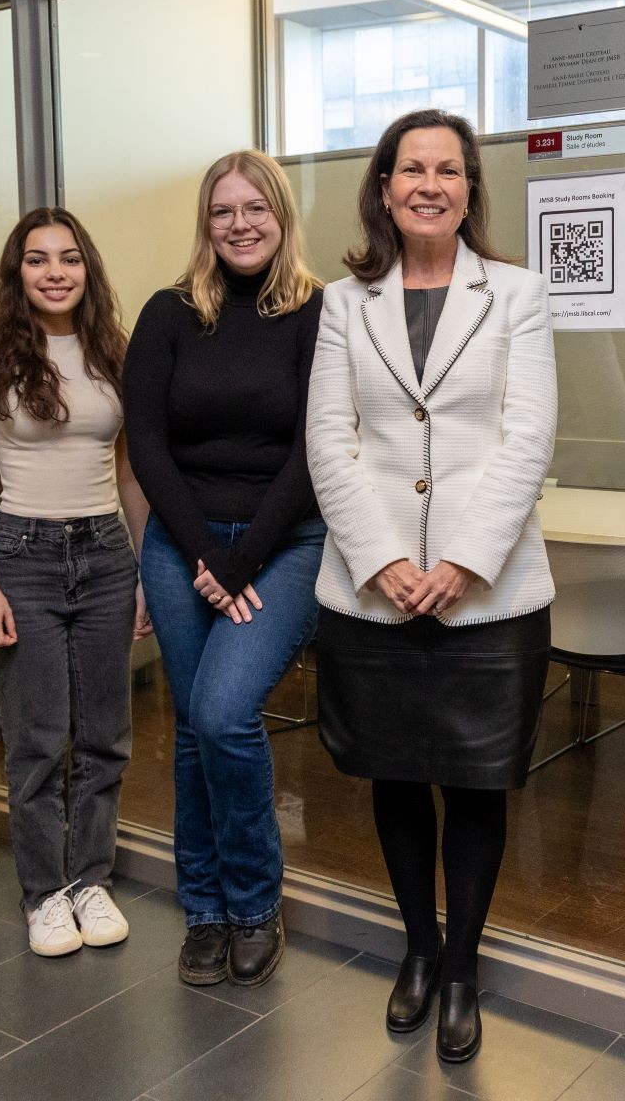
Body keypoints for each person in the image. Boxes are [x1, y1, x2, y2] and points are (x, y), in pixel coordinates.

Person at [305, 108, 557, 1065]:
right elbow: (331, 439)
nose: (429, 184)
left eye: (448, 170)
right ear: (383, 187)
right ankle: (416, 947)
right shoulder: (344, 303)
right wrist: (382, 562)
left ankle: (461, 966)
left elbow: (526, 435)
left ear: (469, 190)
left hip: (486, 592)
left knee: (477, 782)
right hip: (371, 589)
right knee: (396, 777)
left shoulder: (518, 295)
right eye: (411, 169)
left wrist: (458, 562)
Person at [124, 151, 325, 988]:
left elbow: (321, 447)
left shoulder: (322, 313)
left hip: (286, 544)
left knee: (222, 710)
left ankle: (254, 899)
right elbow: (146, 444)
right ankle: (204, 910)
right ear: (205, 224)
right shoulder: (169, 312)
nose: (240, 224)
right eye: (222, 211)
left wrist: (243, 558)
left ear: (281, 215)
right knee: (197, 729)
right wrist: (208, 552)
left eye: (256, 208)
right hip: (182, 543)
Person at [0, 207, 152, 958]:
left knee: (105, 735)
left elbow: (129, 470)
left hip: (105, 551)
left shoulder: (115, 353)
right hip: (22, 553)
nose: (55, 272)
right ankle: (44, 894)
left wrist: (141, 572)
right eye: (38, 260)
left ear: (87, 269)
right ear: (18, 273)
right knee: (37, 738)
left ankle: (89, 881)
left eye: (68, 258)